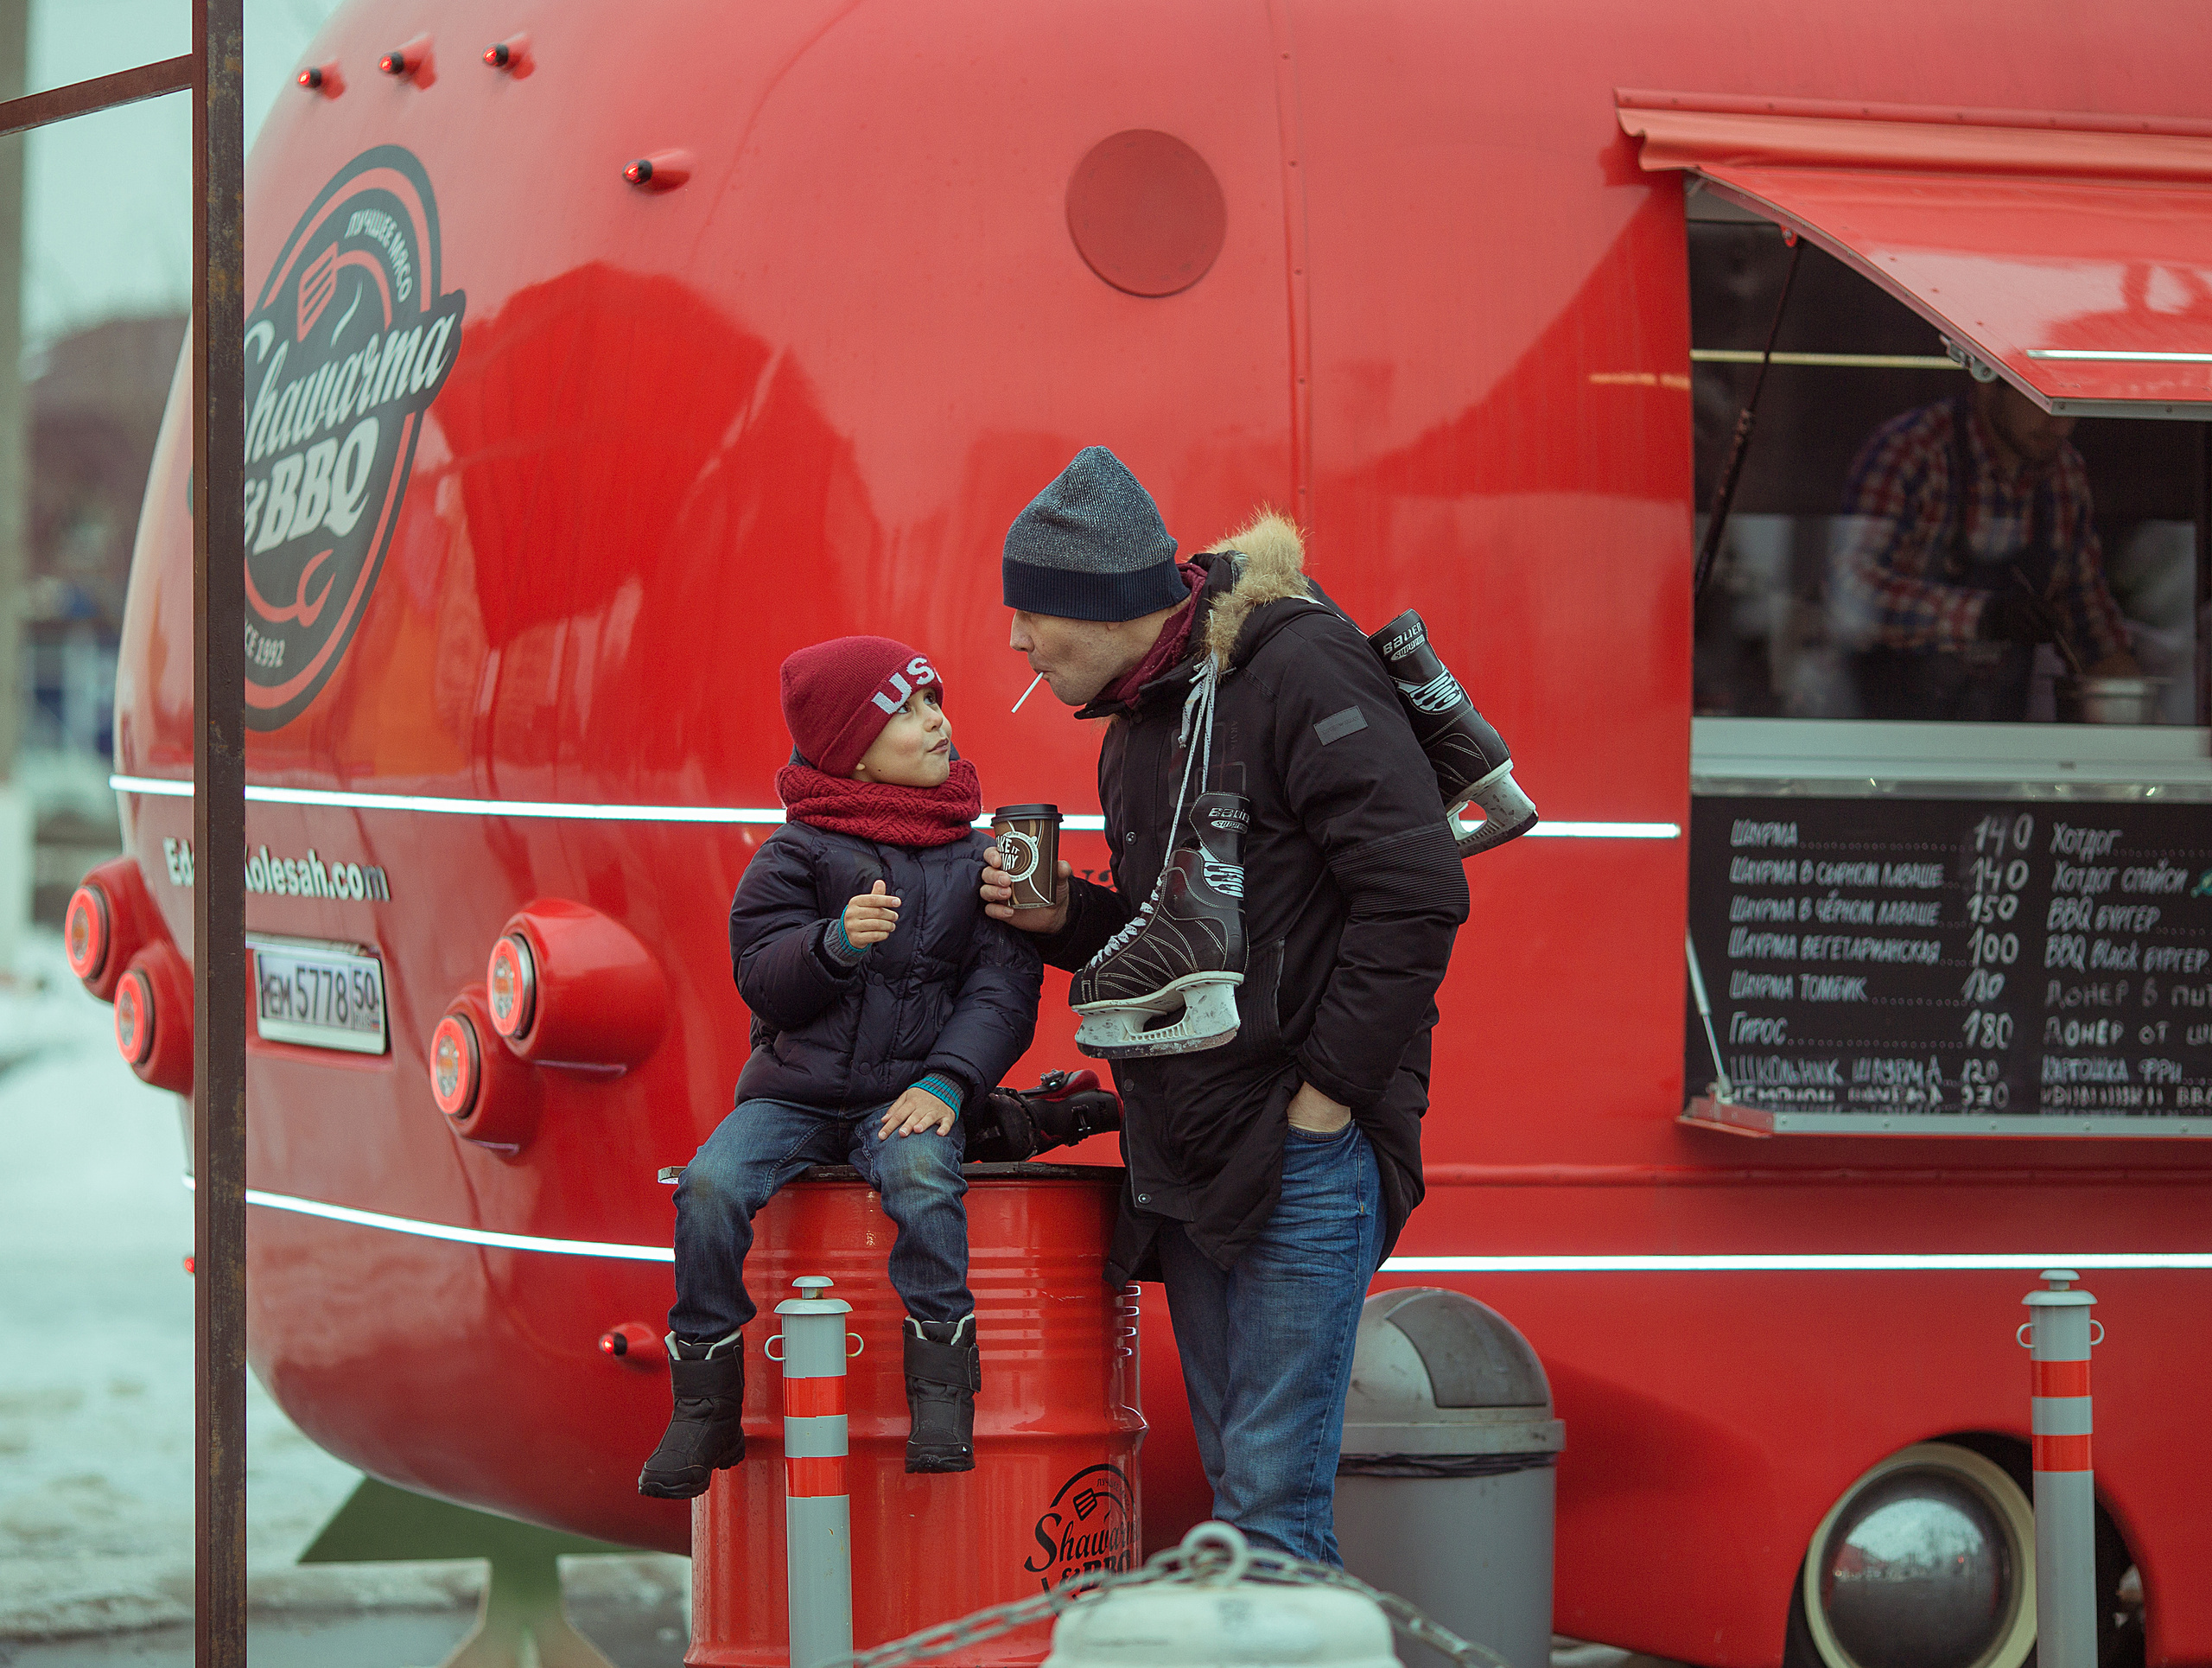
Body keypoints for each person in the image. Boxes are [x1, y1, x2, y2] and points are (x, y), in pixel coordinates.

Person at [980, 446, 1469, 1561]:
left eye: (1029, 613)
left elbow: (1418, 895)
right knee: (1248, 1514)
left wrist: (1327, 1102)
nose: (1015, 642)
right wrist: (1061, 921)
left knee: (1268, 1518)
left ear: (1101, 605)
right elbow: (1180, 945)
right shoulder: (1139, 724)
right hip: (1190, 1148)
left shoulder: (1300, 669)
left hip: (1301, 1145)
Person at [640, 636, 1042, 1498]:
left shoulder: (981, 860)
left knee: (924, 1180)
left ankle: (942, 1394)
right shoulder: (792, 857)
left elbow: (1001, 993)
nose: (937, 723)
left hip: (908, 1095)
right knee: (709, 1186)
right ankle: (703, 1401)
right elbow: (763, 981)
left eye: (935, 702)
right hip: (793, 1095)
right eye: (908, 710)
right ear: (851, 752)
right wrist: (830, 945)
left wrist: (946, 1082)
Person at [1831, 372, 2137, 720]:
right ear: (1990, 383)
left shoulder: (2064, 474)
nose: (2062, 427)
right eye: (2046, 403)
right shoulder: (1912, 451)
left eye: (2073, 407)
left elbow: (2086, 616)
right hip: (1892, 742)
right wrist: (1984, 616)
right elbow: (1852, 592)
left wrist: (2128, 695)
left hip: (2003, 747)